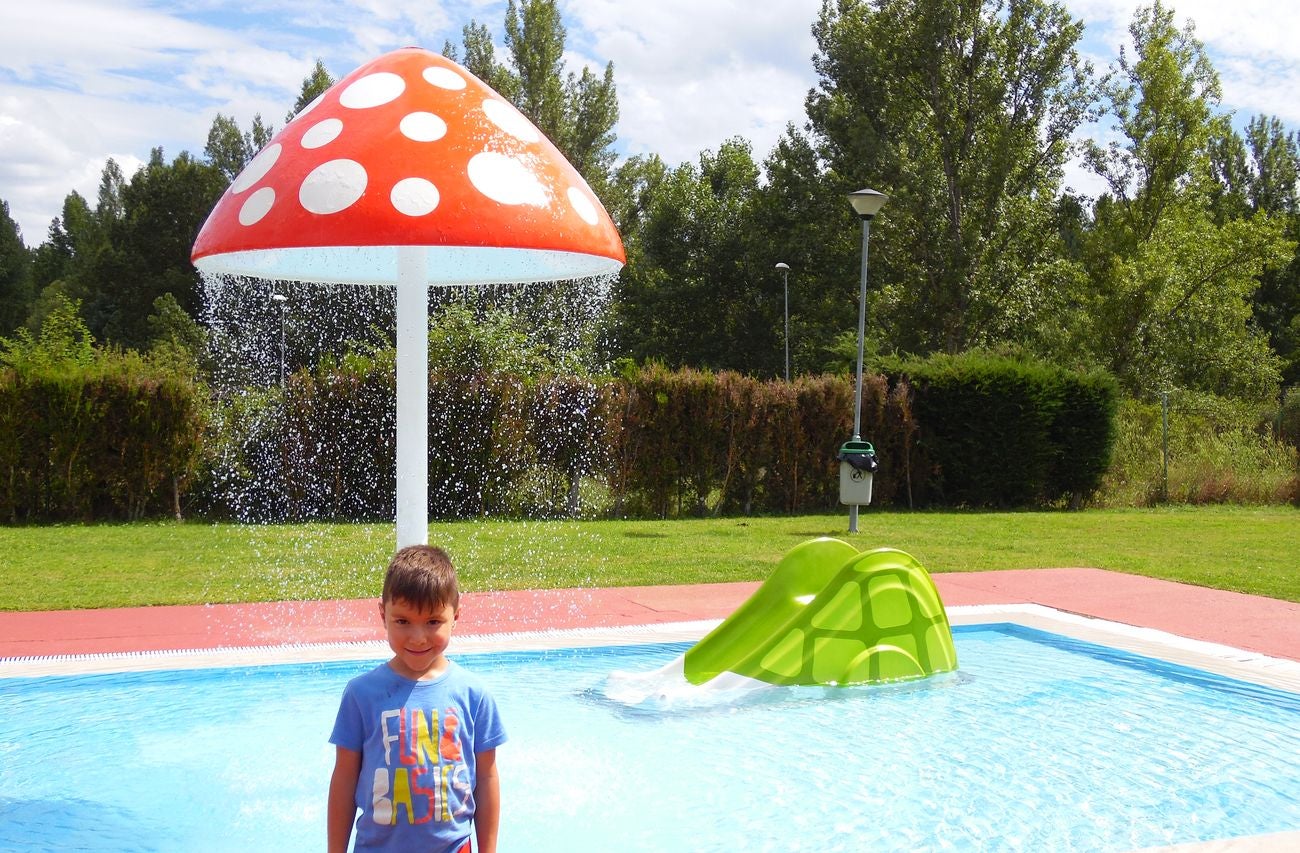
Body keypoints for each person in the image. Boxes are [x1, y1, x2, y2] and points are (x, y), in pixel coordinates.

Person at [328, 545, 506, 853]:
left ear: (456, 614)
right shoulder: (361, 695)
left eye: (433, 621)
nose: (418, 637)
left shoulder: (474, 696)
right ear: (383, 614)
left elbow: (487, 776)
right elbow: (344, 779)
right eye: (403, 621)